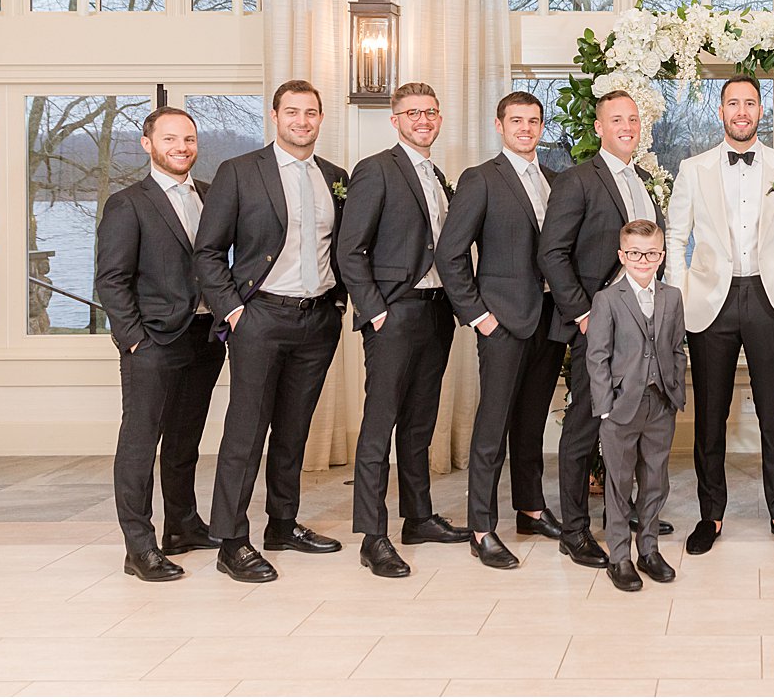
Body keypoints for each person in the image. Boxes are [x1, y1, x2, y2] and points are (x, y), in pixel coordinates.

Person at [195, 79, 348, 583]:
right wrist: (234, 312)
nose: (302, 121)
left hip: (318, 319)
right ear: (275, 116)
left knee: (293, 429)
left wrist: (339, 303)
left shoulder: (335, 177)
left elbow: (345, 250)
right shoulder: (239, 173)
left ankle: (282, 525)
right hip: (259, 317)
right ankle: (231, 541)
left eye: (311, 113)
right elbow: (209, 252)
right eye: (292, 112)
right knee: (246, 431)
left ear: (320, 119)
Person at [664, 75, 774, 555]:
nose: (743, 111)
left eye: (751, 103)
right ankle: (710, 516)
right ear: (721, 110)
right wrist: (679, 298)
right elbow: (674, 237)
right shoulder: (693, 168)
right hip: (712, 300)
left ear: (760, 111)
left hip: (771, 299)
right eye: (734, 103)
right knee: (710, 415)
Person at [337, 82, 469, 579]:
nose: (424, 120)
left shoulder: (438, 175)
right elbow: (350, 249)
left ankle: (418, 517)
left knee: (420, 423)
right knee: (380, 423)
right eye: (413, 112)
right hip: (395, 311)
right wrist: (375, 310)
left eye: (431, 112)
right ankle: (373, 535)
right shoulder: (376, 169)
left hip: (437, 311)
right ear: (394, 120)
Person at [538, 90, 669, 570]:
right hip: (597, 325)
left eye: (633, 119)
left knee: (634, 422)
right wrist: (584, 315)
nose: (627, 126)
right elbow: (551, 253)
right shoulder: (577, 181)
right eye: (617, 119)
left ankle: (628, 514)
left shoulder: (644, 183)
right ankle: (573, 530)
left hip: (644, 328)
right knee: (585, 426)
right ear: (598, 128)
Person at [435, 91, 566, 569]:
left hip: (549, 321)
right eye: (517, 120)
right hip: (502, 323)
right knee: (492, 428)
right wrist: (478, 315)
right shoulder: (481, 179)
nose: (526, 128)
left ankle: (530, 510)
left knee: (530, 423)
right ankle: (481, 527)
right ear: (499, 124)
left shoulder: (555, 180)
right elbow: (449, 255)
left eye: (534, 121)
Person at [95, 106, 226, 581]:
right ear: (148, 144)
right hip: (152, 340)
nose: (181, 148)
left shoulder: (210, 196)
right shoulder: (128, 203)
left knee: (185, 439)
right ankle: (139, 547)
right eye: (170, 139)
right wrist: (133, 341)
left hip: (206, 336)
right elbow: (111, 280)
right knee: (140, 442)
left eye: (188, 139)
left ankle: (184, 526)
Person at [585, 220, 688, 592]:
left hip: (660, 404)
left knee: (655, 480)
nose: (642, 260)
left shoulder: (672, 297)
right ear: (622, 256)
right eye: (634, 253)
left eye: (650, 253)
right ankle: (619, 557)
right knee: (618, 483)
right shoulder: (607, 299)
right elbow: (596, 357)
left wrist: (675, 391)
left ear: (661, 256)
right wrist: (605, 407)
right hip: (620, 407)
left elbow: (676, 348)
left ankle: (648, 550)